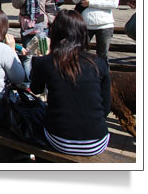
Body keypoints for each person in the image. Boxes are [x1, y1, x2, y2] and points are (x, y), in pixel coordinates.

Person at [30, 10, 111, 156]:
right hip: (97, 141)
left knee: (37, 111)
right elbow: (106, 108)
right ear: (83, 33)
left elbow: (35, 89)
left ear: (55, 33)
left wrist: (39, 63)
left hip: (59, 139)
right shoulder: (98, 62)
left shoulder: (45, 62)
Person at [11, 0, 55, 85]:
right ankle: (29, 81)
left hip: (41, 22)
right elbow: (15, 3)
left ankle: (43, 81)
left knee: (43, 52)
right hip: (26, 23)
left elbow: (49, 4)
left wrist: (52, 21)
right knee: (28, 54)